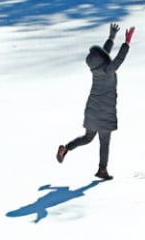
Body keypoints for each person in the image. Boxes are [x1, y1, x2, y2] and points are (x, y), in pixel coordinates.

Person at [56, 22, 135, 180]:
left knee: (87, 138)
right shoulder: (108, 69)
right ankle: (102, 170)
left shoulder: (97, 69)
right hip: (104, 112)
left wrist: (111, 38)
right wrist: (126, 42)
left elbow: (105, 54)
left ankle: (66, 148)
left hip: (92, 109)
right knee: (104, 142)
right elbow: (118, 59)